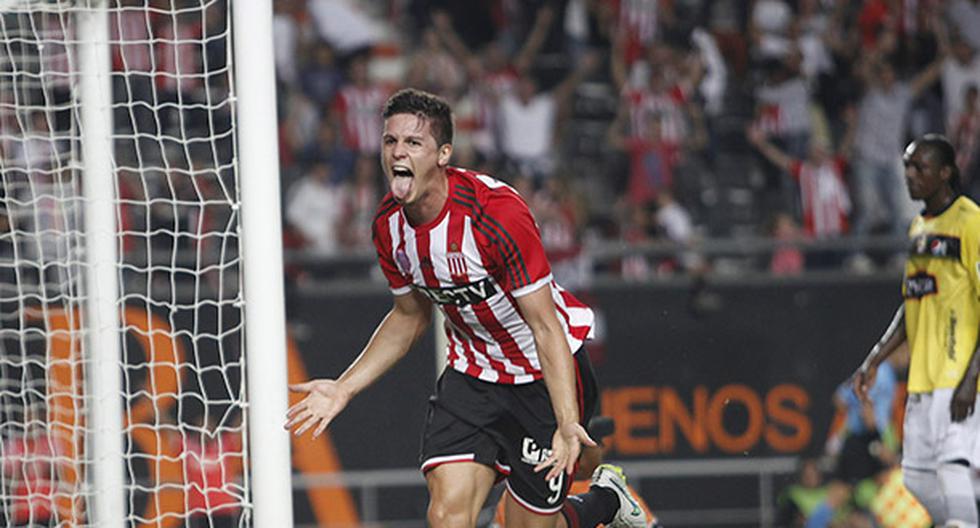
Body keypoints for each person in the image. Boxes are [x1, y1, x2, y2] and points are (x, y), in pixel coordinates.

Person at [285, 88, 647, 528]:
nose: (397, 152)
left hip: (541, 373)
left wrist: (568, 421)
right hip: (473, 375)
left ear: (443, 153)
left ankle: (607, 499)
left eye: (413, 143)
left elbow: (546, 327)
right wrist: (344, 388)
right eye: (390, 141)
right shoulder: (389, 227)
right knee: (446, 515)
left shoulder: (495, 215)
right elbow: (409, 317)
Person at [852, 134, 980, 527]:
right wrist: (875, 358)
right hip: (923, 380)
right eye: (907, 165)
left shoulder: (971, 222)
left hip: (957, 374)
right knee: (917, 478)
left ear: (945, 173)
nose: (909, 174)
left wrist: (970, 378)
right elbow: (912, 301)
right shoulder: (918, 228)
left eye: (919, 166)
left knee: (953, 469)